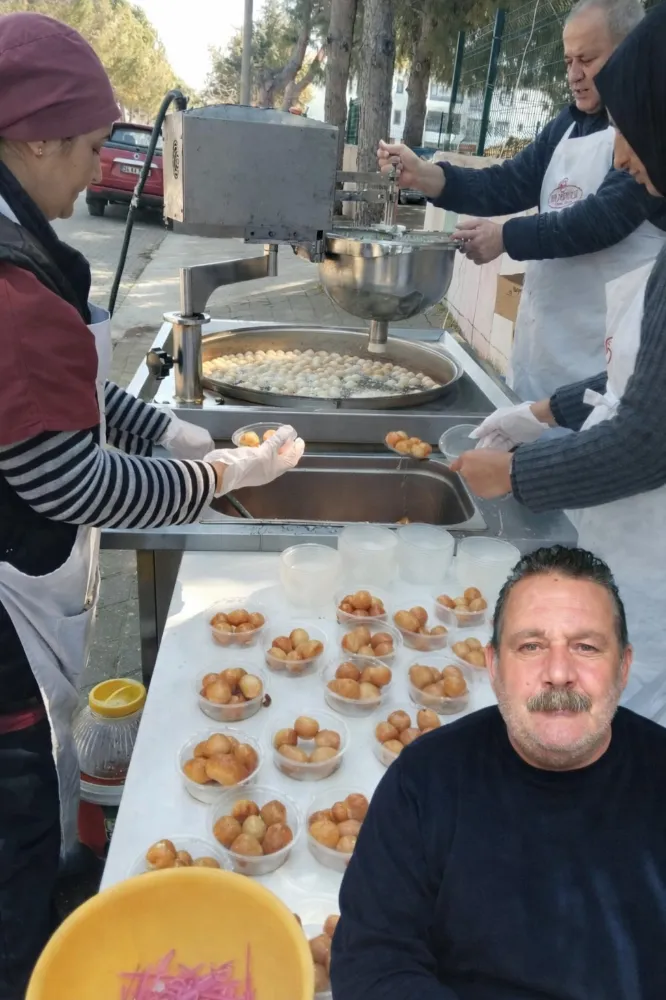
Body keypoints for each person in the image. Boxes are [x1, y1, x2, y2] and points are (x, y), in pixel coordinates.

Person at [0, 13, 304, 998]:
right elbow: (69, 480)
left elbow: (76, 390)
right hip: (5, 610)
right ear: (34, 138)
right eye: (90, 145)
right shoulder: (8, 283)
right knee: (13, 823)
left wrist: (172, 432)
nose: (100, 168)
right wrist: (221, 477)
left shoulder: (23, 243)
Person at [450, 1, 666, 726]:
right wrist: (544, 411)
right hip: (619, 519)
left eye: (633, 135)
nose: (623, 159)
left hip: (653, 565)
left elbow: (647, 439)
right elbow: (639, 381)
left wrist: (517, 473)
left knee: (626, 725)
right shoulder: (569, 133)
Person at [330, 546, 666, 1000]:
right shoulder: (425, 781)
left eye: (586, 647)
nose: (558, 673)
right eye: (531, 646)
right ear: (493, 666)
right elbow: (372, 964)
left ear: (623, 667)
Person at [377, 0, 666, 400]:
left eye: (587, 60)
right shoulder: (568, 124)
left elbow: (603, 219)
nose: (574, 75)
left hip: (605, 368)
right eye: (567, 61)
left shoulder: (649, 137)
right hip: (543, 354)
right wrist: (426, 176)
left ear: (629, 52)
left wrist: (505, 237)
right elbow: (510, 182)